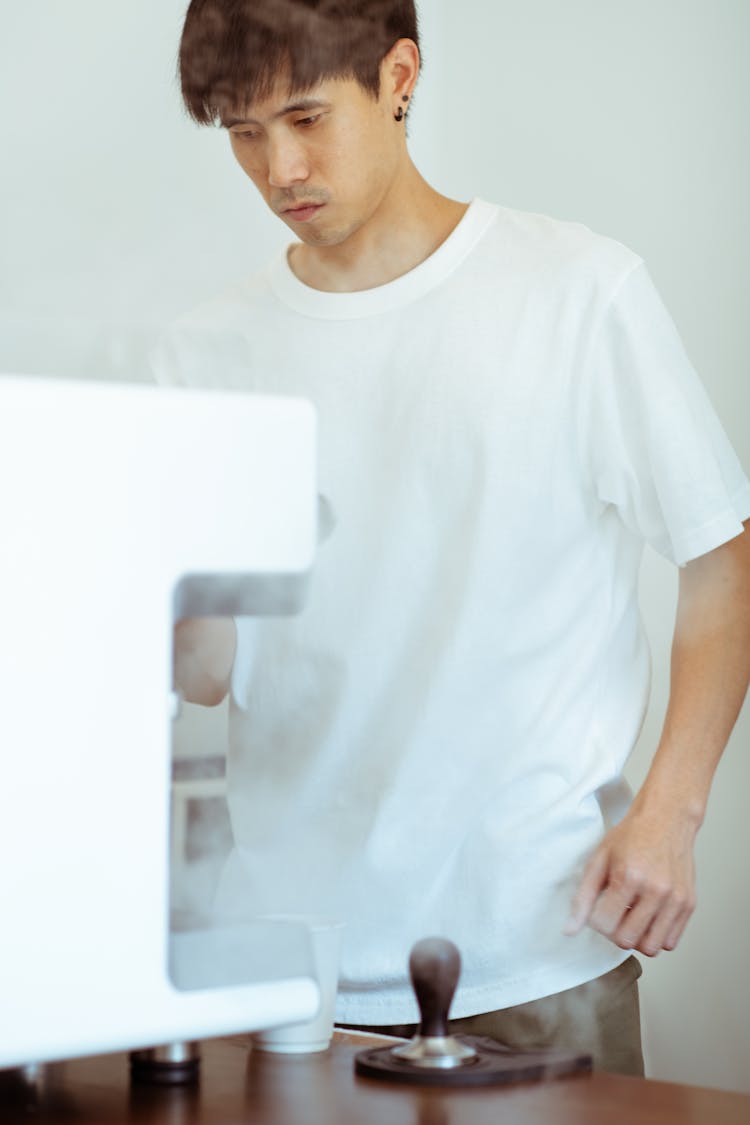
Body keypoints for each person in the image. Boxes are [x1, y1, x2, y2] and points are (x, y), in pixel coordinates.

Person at [155, 0, 750, 1076]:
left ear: (398, 77)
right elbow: (203, 675)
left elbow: (722, 561)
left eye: (303, 116)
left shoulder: (575, 289)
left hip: (536, 957)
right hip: (290, 976)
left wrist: (672, 809)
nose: (277, 167)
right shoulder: (205, 354)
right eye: (243, 134)